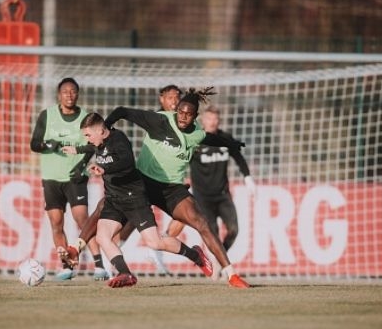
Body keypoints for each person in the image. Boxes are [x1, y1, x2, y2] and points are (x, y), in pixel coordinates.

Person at [64, 87, 251, 288]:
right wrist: (105, 130)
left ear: (195, 116)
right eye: (180, 112)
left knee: (201, 223)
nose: (183, 117)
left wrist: (230, 143)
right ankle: (84, 251)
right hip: (141, 184)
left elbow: (209, 138)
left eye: (188, 114)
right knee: (105, 206)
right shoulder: (160, 121)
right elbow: (122, 111)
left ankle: (231, 274)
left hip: (171, 189)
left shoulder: (196, 132)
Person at [66, 112, 213, 288]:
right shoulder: (98, 142)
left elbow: (126, 163)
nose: (87, 139)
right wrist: (78, 150)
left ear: (100, 130)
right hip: (113, 199)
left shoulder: (119, 139)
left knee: (155, 242)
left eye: (88, 135)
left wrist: (105, 169)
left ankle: (195, 255)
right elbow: (92, 148)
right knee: (102, 237)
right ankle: (125, 273)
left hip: (134, 198)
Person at [29, 77, 107, 281]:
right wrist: (49, 145)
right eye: (65, 92)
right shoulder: (47, 115)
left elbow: (93, 145)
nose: (69, 95)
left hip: (76, 178)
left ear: (78, 94)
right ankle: (67, 266)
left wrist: (81, 166)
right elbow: (34, 143)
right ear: (59, 94)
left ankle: (99, 265)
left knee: (83, 219)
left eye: (73, 91)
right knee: (56, 222)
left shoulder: (85, 117)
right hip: (51, 178)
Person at [167, 105, 256, 254]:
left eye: (215, 118)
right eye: (209, 118)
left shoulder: (225, 138)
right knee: (212, 233)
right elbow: (179, 161)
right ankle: (218, 263)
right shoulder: (195, 140)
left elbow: (238, 157)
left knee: (234, 229)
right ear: (203, 120)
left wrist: (247, 177)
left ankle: (221, 257)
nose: (213, 122)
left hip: (223, 195)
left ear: (219, 120)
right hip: (202, 198)